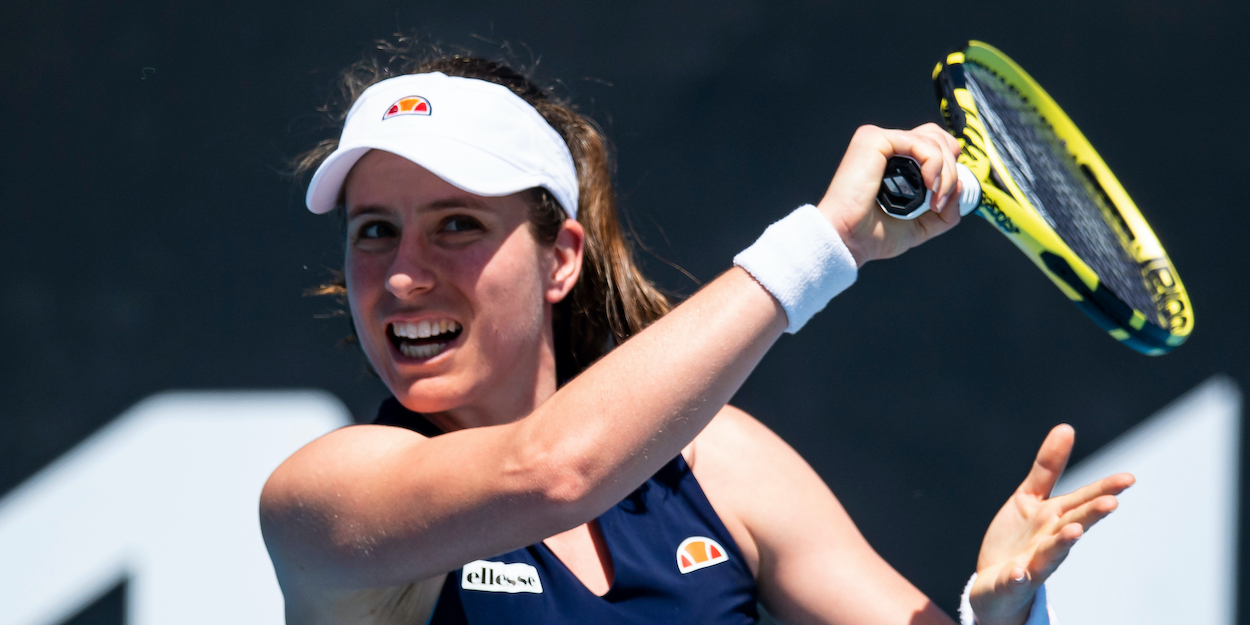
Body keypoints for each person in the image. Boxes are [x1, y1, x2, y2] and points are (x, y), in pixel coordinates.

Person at [260, 39, 1133, 625]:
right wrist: (827, 241)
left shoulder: (719, 462)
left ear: (560, 257)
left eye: (456, 225)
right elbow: (556, 468)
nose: (405, 274)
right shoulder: (324, 500)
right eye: (375, 229)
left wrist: (1005, 612)